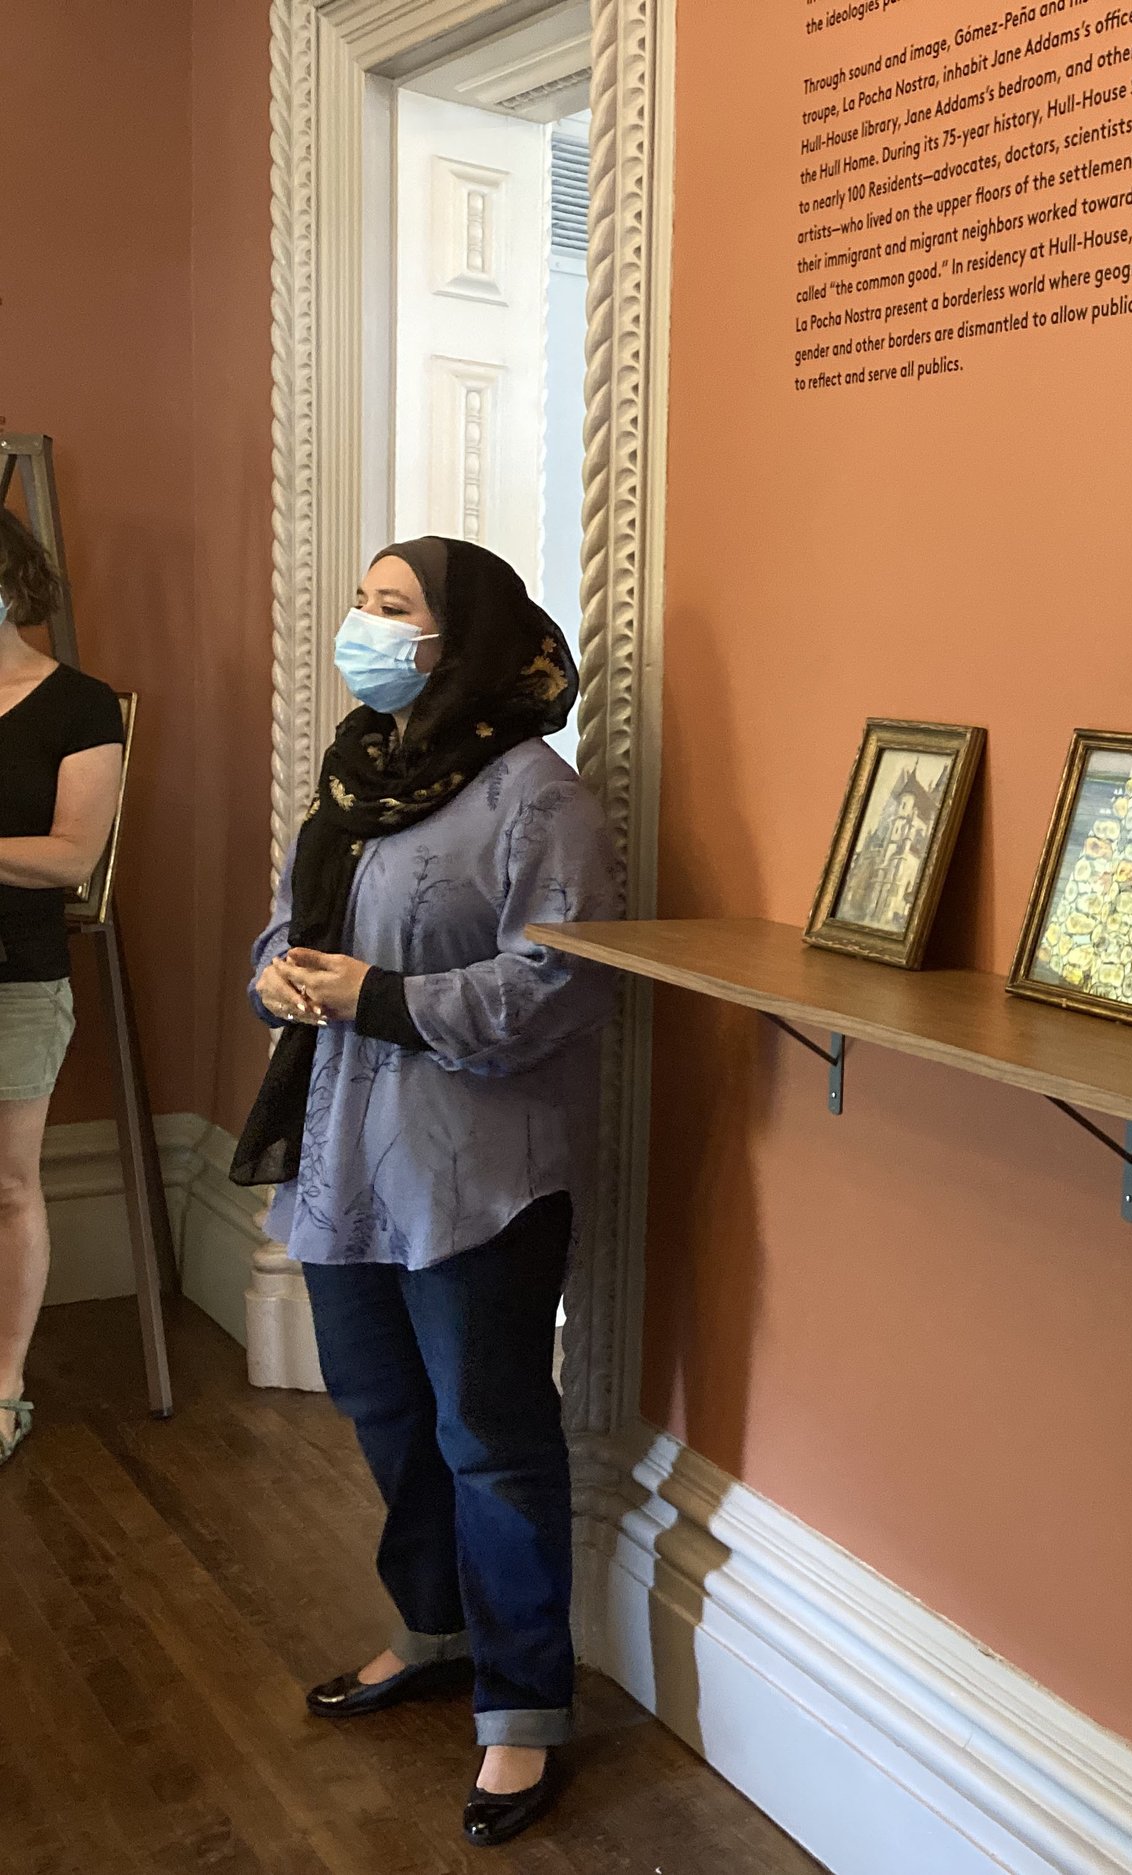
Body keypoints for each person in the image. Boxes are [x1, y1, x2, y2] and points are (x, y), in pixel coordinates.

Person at [236, 536, 618, 1848]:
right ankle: (434, 1631)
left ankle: (523, 1708)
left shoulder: (536, 792)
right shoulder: (357, 776)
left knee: (490, 1437)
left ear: (457, 637)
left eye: (390, 607)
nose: (364, 624)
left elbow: (564, 980)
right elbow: (286, 926)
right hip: (346, 1158)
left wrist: (378, 995)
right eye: (361, 600)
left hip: (478, 1175)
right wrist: (281, 974)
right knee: (387, 1410)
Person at [0, 509, 125, 1472]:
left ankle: (2, 1389)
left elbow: (72, 855)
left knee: (7, 1186)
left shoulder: (77, 706)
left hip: (14, 974)